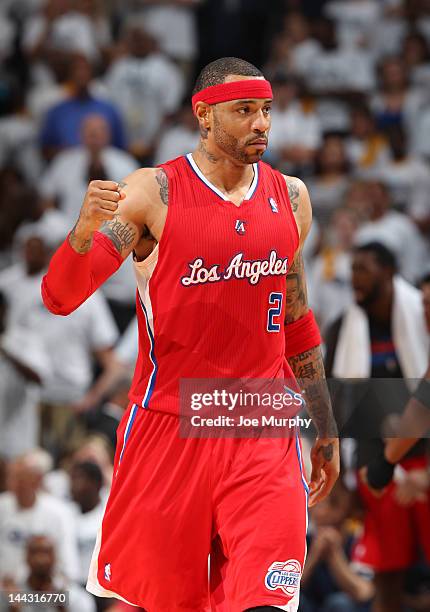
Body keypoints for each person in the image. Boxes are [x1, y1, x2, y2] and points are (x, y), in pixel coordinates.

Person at [41, 57, 339, 611]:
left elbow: (295, 319)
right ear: (205, 116)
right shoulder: (152, 192)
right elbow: (61, 298)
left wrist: (323, 421)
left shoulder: (292, 197)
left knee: (265, 600)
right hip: (171, 426)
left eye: (266, 111)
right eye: (244, 110)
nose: (262, 125)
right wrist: (81, 236)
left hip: (261, 428)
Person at [324, 242, 430, 612]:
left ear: (387, 272)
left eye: (363, 269)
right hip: (377, 465)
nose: (354, 277)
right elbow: (332, 404)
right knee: (386, 576)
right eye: (352, 268)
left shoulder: (419, 313)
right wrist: (349, 472)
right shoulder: (343, 328)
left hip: (423, 463)